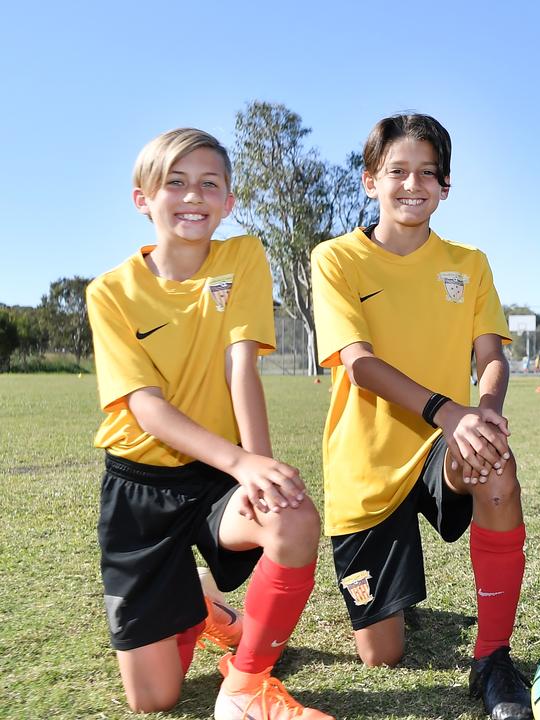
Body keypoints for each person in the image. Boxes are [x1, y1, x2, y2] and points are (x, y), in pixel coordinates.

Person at [86, 128, 329, 718]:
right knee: (155, 699)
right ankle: (200, 603)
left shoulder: (241, 257)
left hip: (215, 476)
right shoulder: (110, 293)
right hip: (139, 490)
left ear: (229, 201)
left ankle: (246, 685)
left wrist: (258, 471)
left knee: (293, 518)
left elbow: (240, 366)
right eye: (175, 182)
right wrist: (241, 461)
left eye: (209, 184)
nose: (193, 196)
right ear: (143, 198)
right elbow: (146, 408)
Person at [311, 113, 531, 720]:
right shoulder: (336, 259)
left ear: (446, 185)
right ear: (369, 181)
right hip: (369, 462)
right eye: (397, 172)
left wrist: (482, 416)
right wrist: (448, 410)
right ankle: (393, 600)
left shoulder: (469, 262)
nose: (413, 185)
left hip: (445, 443)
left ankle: (492, 656)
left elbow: (491, 356)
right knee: (382, 656)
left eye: (427, 173)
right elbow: (357, 364)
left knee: (496, 468)